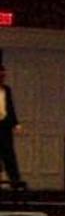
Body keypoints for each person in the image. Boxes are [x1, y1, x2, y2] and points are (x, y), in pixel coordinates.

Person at [0, 60, 26, 191]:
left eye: (3, 75)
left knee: (8, 153)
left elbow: (10, 108)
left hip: (4, 125)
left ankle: (15, 182)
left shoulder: (7, 90)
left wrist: (16, 124)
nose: (2, 78)